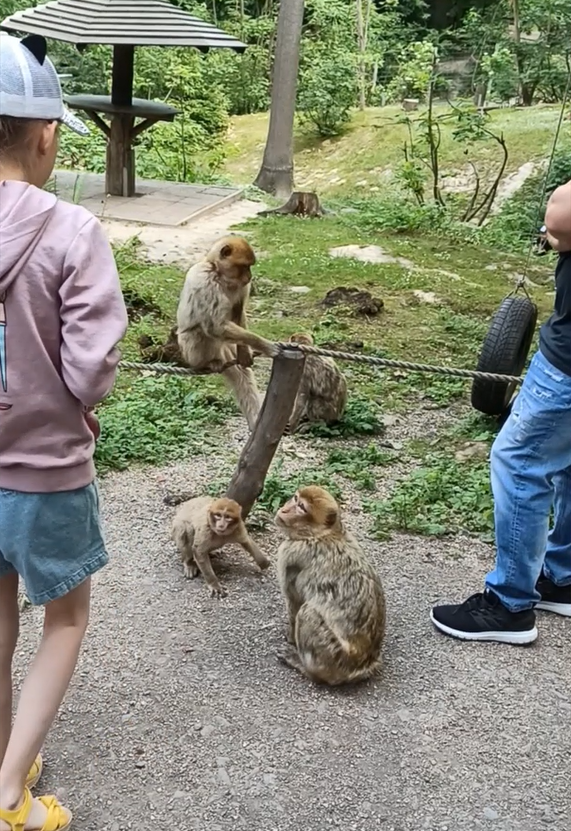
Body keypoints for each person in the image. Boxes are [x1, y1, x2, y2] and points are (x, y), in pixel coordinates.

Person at [0, 33, 128, 830]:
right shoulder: (71, 230)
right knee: (65, 618)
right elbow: (90, 372)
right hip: (47, 472)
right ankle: (11, 787)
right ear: (46, 133)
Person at [431, 177, 571, 645]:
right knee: (568, 462)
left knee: (518, 462)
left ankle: (510, 606)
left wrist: (553, 234)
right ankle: (563, 578)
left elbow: (561, 219)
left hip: (566, 368)